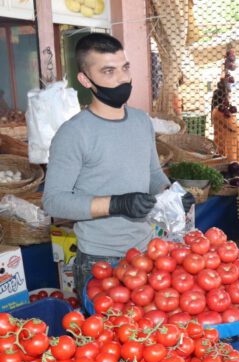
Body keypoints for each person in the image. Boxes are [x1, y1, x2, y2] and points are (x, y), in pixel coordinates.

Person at [43, 33, 194, 302]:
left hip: (147, 253)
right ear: (85, 80)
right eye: (108, 71)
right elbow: (54, 202)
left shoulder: (140, 121)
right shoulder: (73, 134)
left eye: (124, 68)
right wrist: (115, 204)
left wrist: (172, 193)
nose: (122, 79)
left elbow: (151, 174)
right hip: (100, 260)